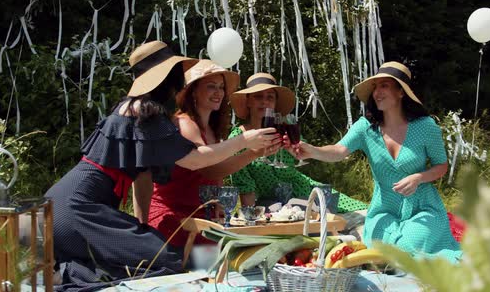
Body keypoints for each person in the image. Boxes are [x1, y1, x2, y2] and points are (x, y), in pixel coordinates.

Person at [44, 42, 277, 289]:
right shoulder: (146, 113)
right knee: (166, 260)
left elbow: (142, 177)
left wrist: (140, 224)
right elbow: (196, 160)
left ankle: (67, 273)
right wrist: (243, 140)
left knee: (156, 255)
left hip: (62, 207)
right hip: (78, 208)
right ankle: (68, 275)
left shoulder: (134, 109)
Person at [296, 62, 462, 262]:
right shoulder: (366, 127)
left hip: (422, 208)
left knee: (408, 247)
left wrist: (419, 177)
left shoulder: (426, 127)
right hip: (384, 210)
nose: (377, 92)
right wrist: (312, 151)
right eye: (375, 87)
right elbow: (338, 151)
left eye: (384, 85)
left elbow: (441, 166)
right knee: (389, 251)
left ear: (401, 92)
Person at [149, 61, 282, 248]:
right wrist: (245, 142)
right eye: (211, 86)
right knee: (236, 254)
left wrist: (256, 153)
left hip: (202, 216)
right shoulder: (184, 123)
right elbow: (206, 168)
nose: (218, 92)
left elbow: (217, 171)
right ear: (193, 91)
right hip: (175, 219)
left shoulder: (212, 129)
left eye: (221, 87)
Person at [228, 72, 368, 213]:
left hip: (305, 191)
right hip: (275, 206)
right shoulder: (239, 137)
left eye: (270, 97)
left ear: (275, 103)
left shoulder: (283, 128)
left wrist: (297, 149)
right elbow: (244, 185)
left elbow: (302, 152)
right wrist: (251, 218)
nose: (264, 101)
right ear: (248, 101)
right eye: (258, 96)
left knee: (360, 211)